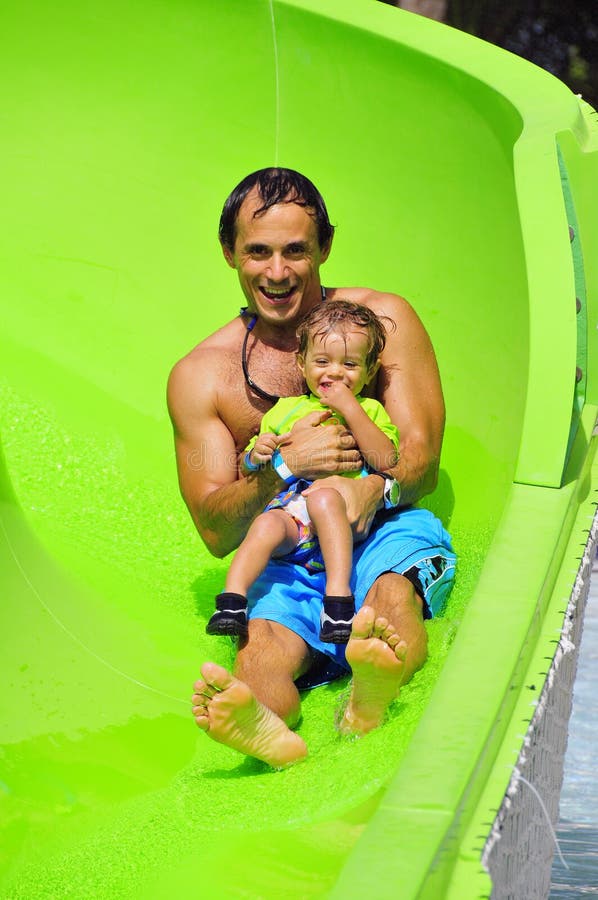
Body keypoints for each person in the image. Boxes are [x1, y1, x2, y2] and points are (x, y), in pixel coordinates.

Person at [167, 167, 456, 768]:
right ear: (229, 253)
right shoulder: (203, 376)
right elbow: (216, 529)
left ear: (325, 246)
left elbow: (422, 460)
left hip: (381, 530)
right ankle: (264, 724)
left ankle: (370, 690)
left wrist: (373, 491)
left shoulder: (382, 323)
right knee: (260, 649)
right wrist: (282, 467)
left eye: (295, 250)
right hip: (293, 548)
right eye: (258, 252)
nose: (277, 272)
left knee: (390, 600)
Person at [205, 300, 400, 644]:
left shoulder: (369, 409)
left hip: (342, 519)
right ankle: (232, 601)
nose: (335, 373)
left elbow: (386, 460)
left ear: (370, 372)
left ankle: (337, 603)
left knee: (324, 500)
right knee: (266, 524)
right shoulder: (285, 410)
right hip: (295, 519)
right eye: (322, 362)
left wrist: (351, 409)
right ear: (302, 363)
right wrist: (256, 455)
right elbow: (249, 469)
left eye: (350, 364)